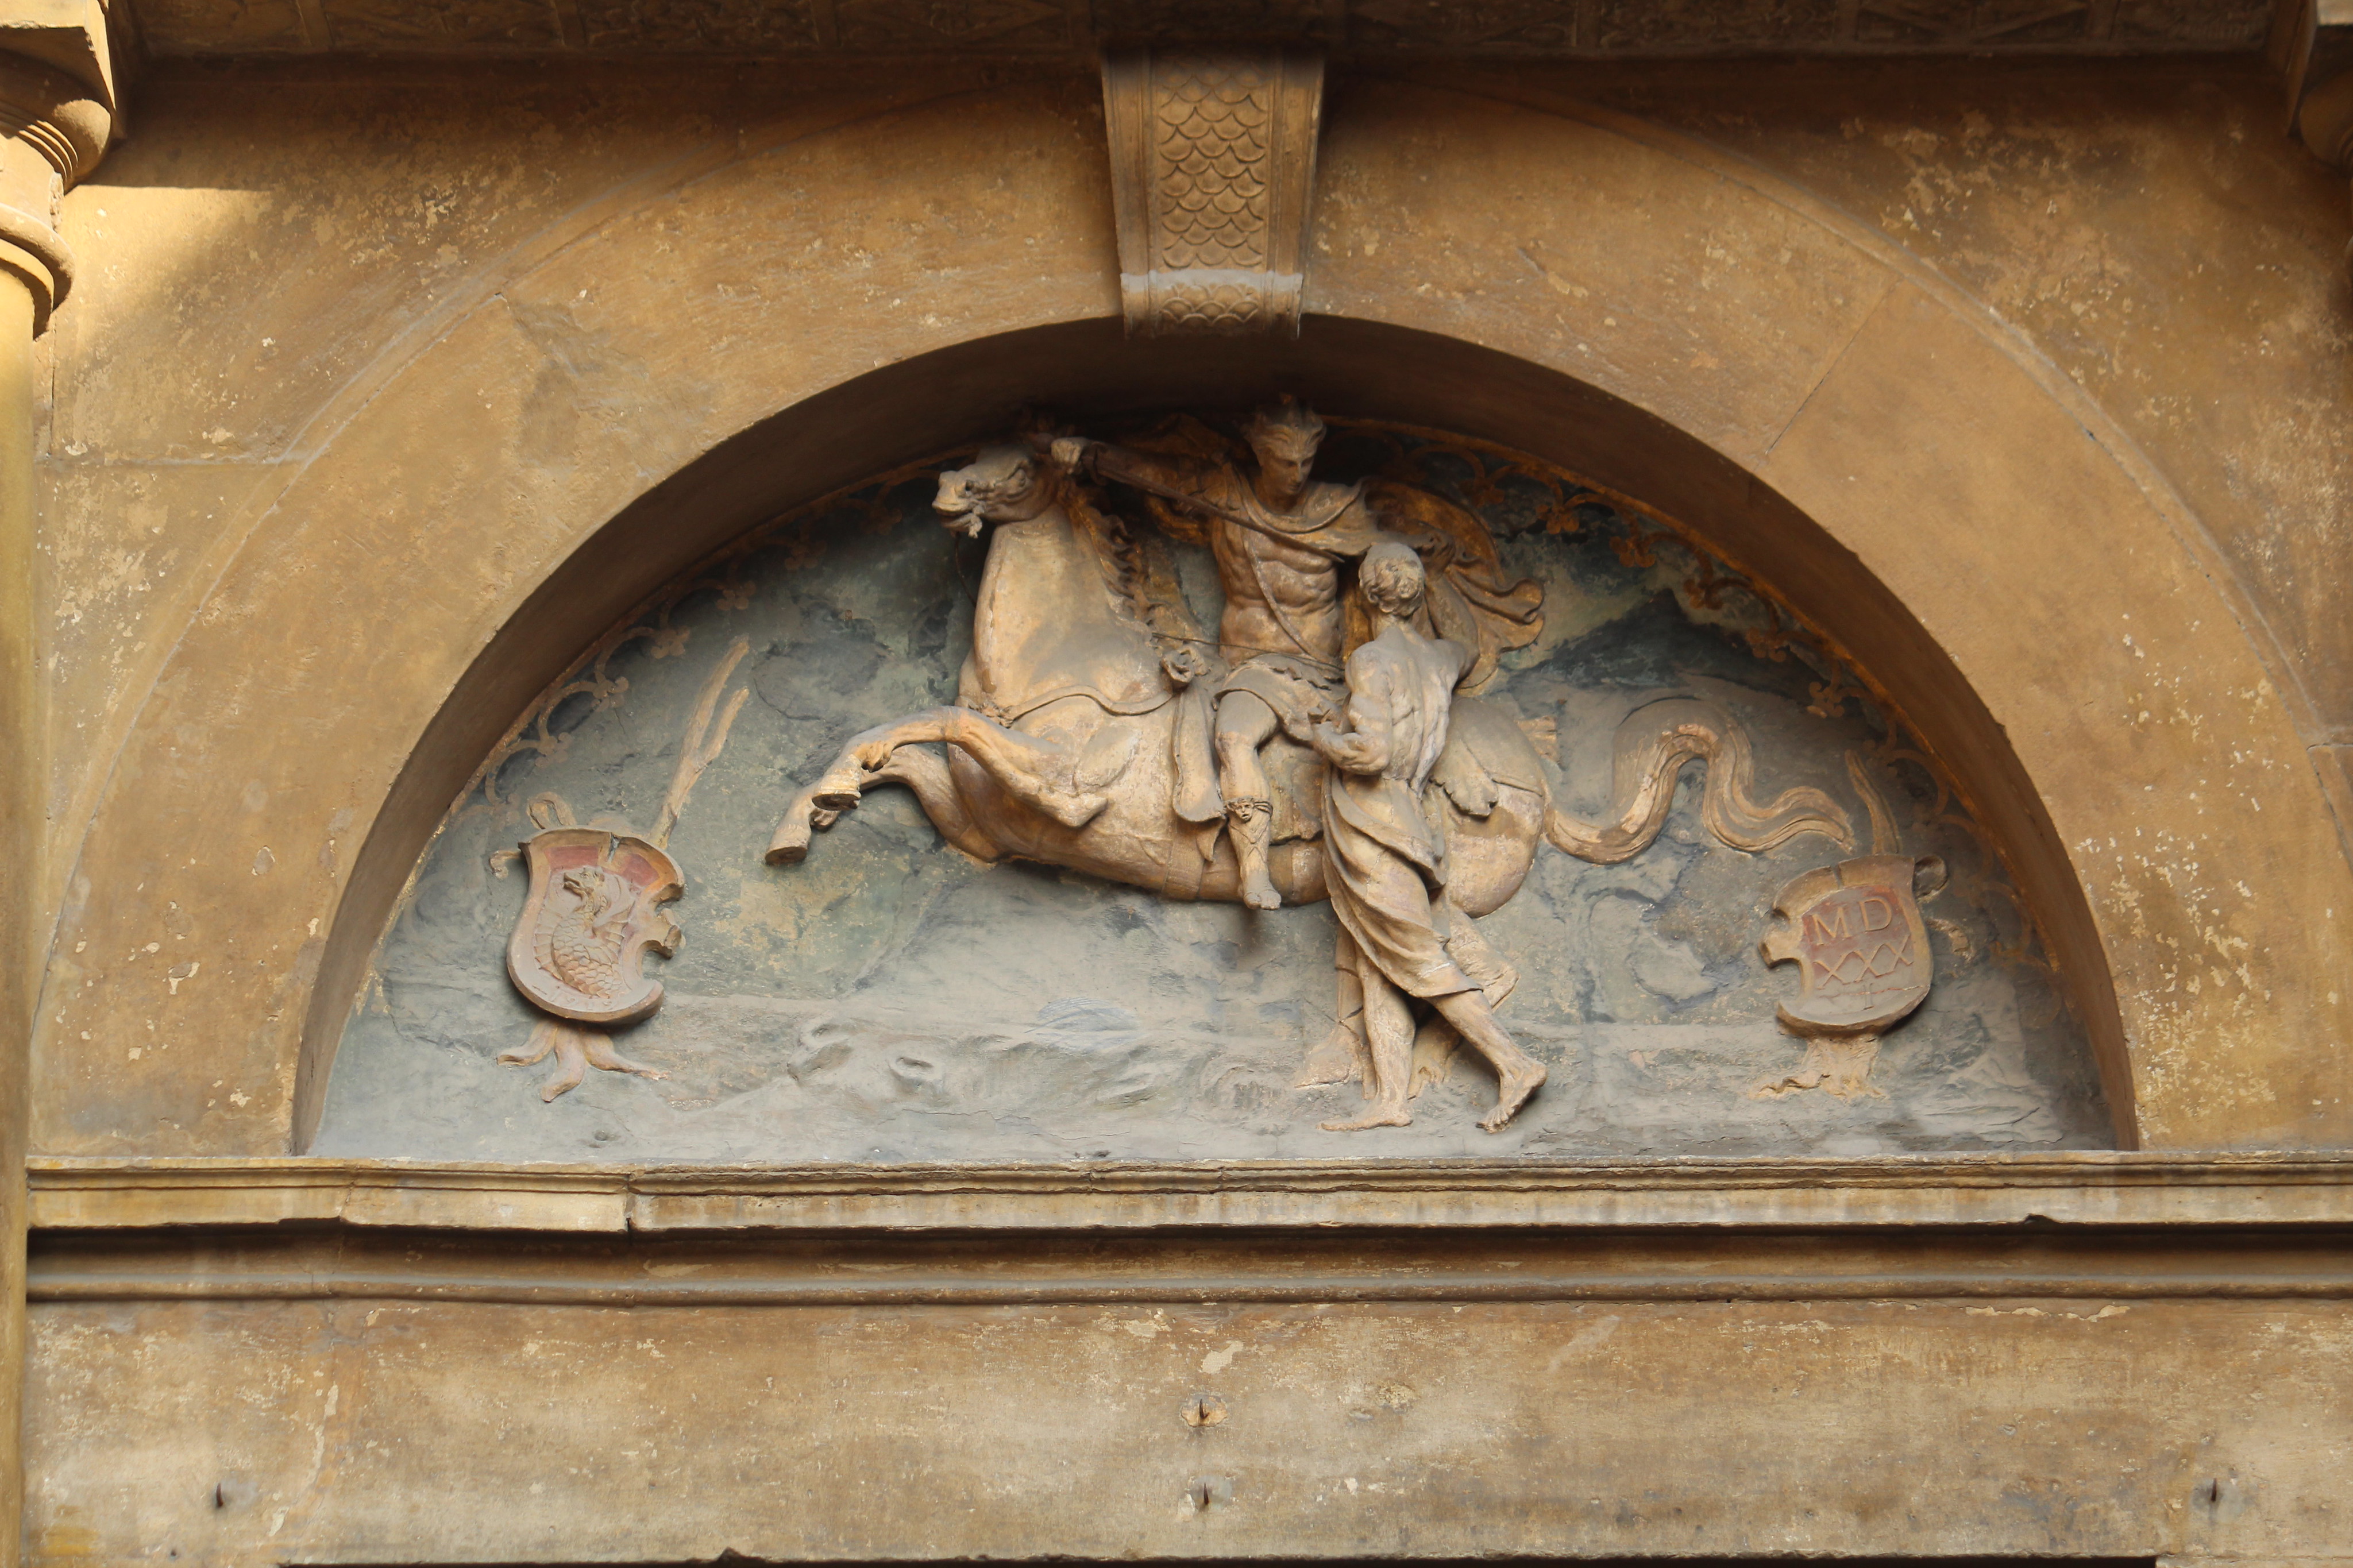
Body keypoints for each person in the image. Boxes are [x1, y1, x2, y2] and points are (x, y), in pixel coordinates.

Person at [1048, 399, 1381, 910]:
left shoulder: (1337, 509)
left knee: (1259, 738)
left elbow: (1384, 559)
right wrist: (1091, 453)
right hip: (1250, 667)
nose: (1295, 474)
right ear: (1258, 453)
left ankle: (1282, 863)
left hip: (1316, 669)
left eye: (1305, 462)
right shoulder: (1228, 491)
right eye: (1283, 462)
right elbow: (1158, 475)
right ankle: (1247, 864)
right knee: (1221, 728)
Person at [1305, 541, 1546, 1133]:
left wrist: (1320, 738)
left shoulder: (1371, 661)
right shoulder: (1442, 659)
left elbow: (1370, 753)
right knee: (1377, 961)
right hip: (1412, 816)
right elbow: (1468, 642)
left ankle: (1514, 1064)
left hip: (1374, 816)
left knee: (1419, 961)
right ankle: (1391, 1099)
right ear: (1416, 594)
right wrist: (1429, 577)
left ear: (1366, 594)